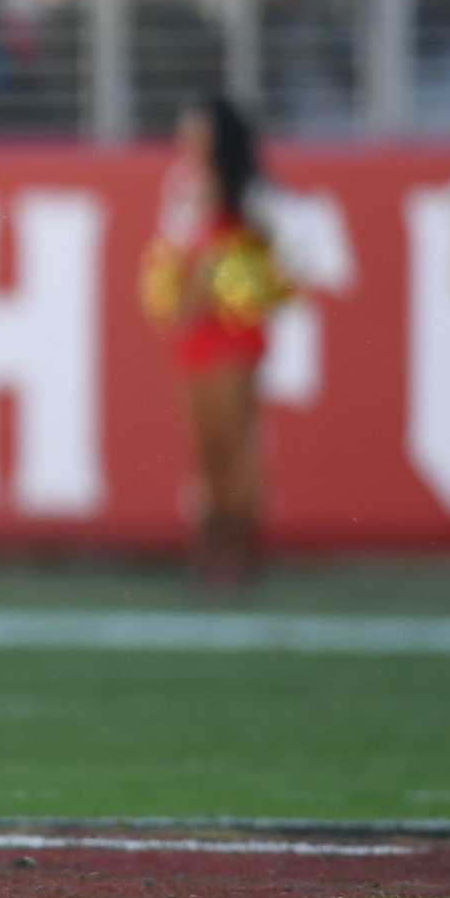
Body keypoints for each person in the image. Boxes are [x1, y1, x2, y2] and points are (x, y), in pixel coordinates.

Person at [139, 97, 293, 584]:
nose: (188, 141)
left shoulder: (248, 191)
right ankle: (210, 541)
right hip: (196, 330)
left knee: (235, 440)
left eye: (197, 132)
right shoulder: (182, 189)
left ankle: (240, 545)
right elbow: (170, 253)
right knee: (206, 446)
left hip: (233, 329)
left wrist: (218, 275)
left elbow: (271, 259)